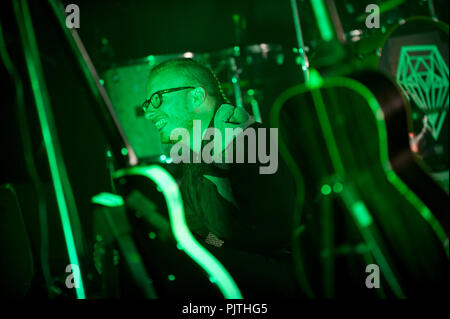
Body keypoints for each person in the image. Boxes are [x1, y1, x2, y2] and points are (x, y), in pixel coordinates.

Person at [143, 58, 301, 296]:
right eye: (147, 103)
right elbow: (215, 238)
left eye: (157, 98)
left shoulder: (249, 145)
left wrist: (196, 246)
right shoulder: (194, 160)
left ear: (196, 97)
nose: (149, 112)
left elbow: (273, 241)